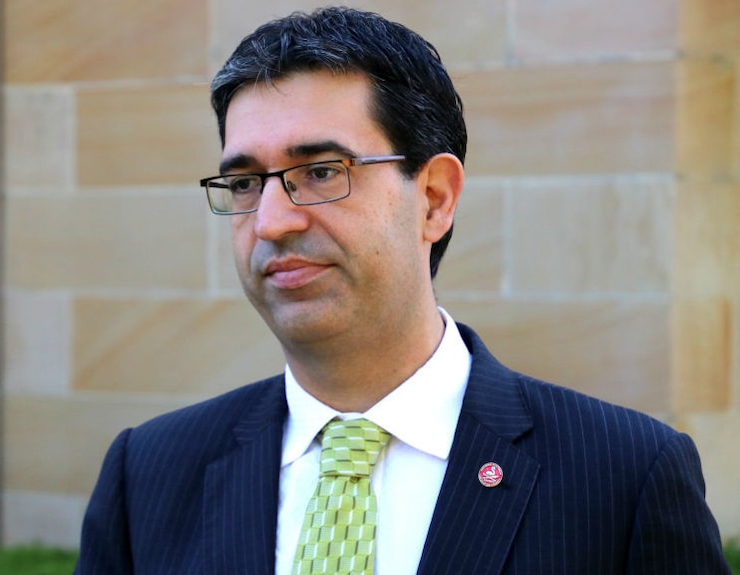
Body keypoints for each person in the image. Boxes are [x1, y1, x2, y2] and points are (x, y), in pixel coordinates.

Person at [74, 7, 730, 574]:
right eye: (245, 182)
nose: (272, 220)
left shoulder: (625, 478)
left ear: (435, 199)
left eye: (322, 170)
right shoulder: (149, 473)